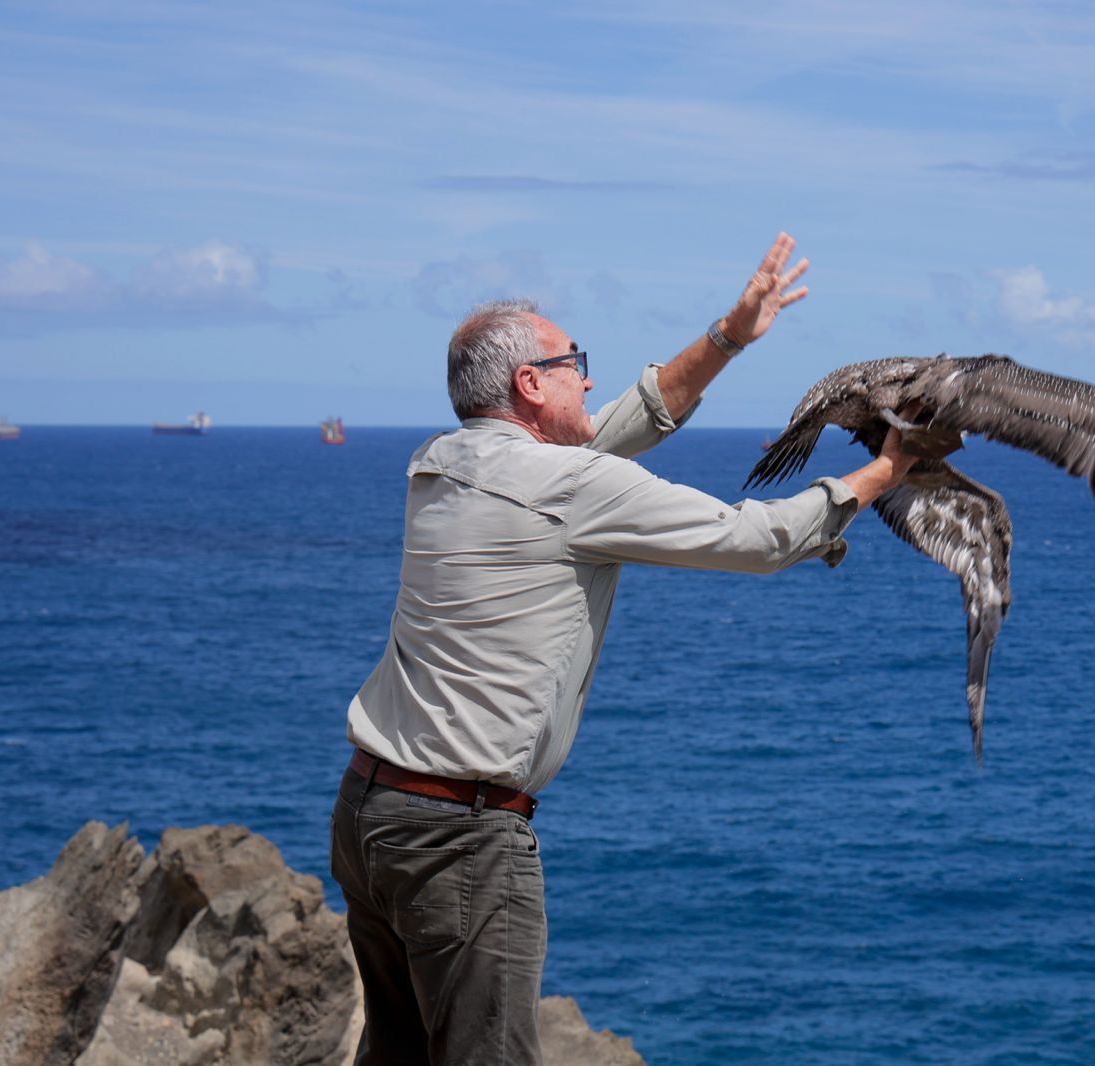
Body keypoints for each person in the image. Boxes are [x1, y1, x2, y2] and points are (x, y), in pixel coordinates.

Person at [329, 234, 925, 1065]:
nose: (588, 379)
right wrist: (883, 474)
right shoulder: (571, 485)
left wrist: (728, 336)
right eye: (574, 363)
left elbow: (617, 425)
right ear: (530, 383)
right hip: (457, 838)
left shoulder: (441, 463)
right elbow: (755, 539)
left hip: (372, 813)